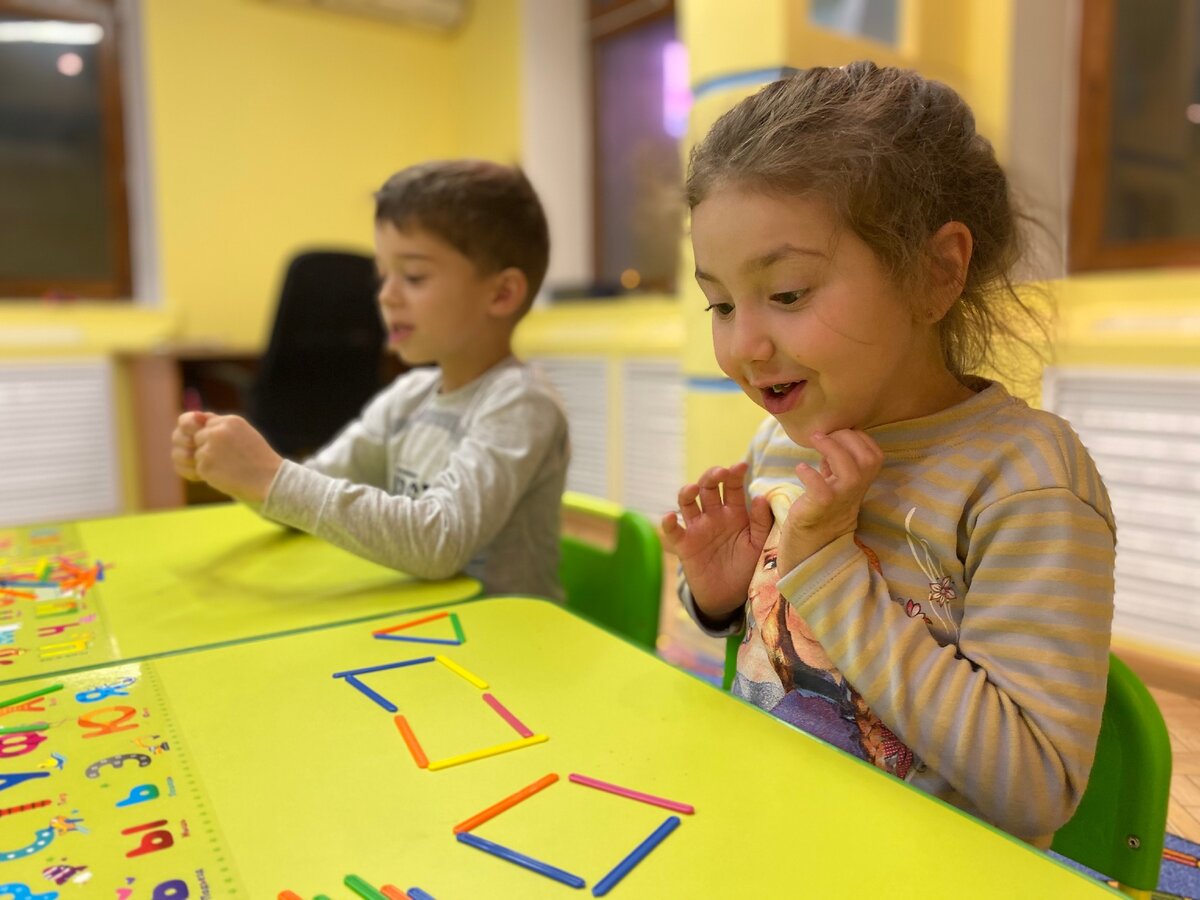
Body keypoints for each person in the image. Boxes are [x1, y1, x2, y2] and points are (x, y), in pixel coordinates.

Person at [662, 62, 1116, 847]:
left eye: (790, 293)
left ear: (935, 274)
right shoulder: (783, 440)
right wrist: (725, 595)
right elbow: (780, 662)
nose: (745, 344)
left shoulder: (1024, 480)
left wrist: (827, 568)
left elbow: (1036, 786)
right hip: (766, 836)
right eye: (722, 303)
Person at [172, 160, 570, 599]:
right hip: (426, 628)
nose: (385, 295)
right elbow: (301, 500)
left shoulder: (521, 403)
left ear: (501, 293)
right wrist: (240, 475)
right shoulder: (408, 397)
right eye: (383, 276)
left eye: (414, 276)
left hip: (509, 643)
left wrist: (270, 477)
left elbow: (440, 543)